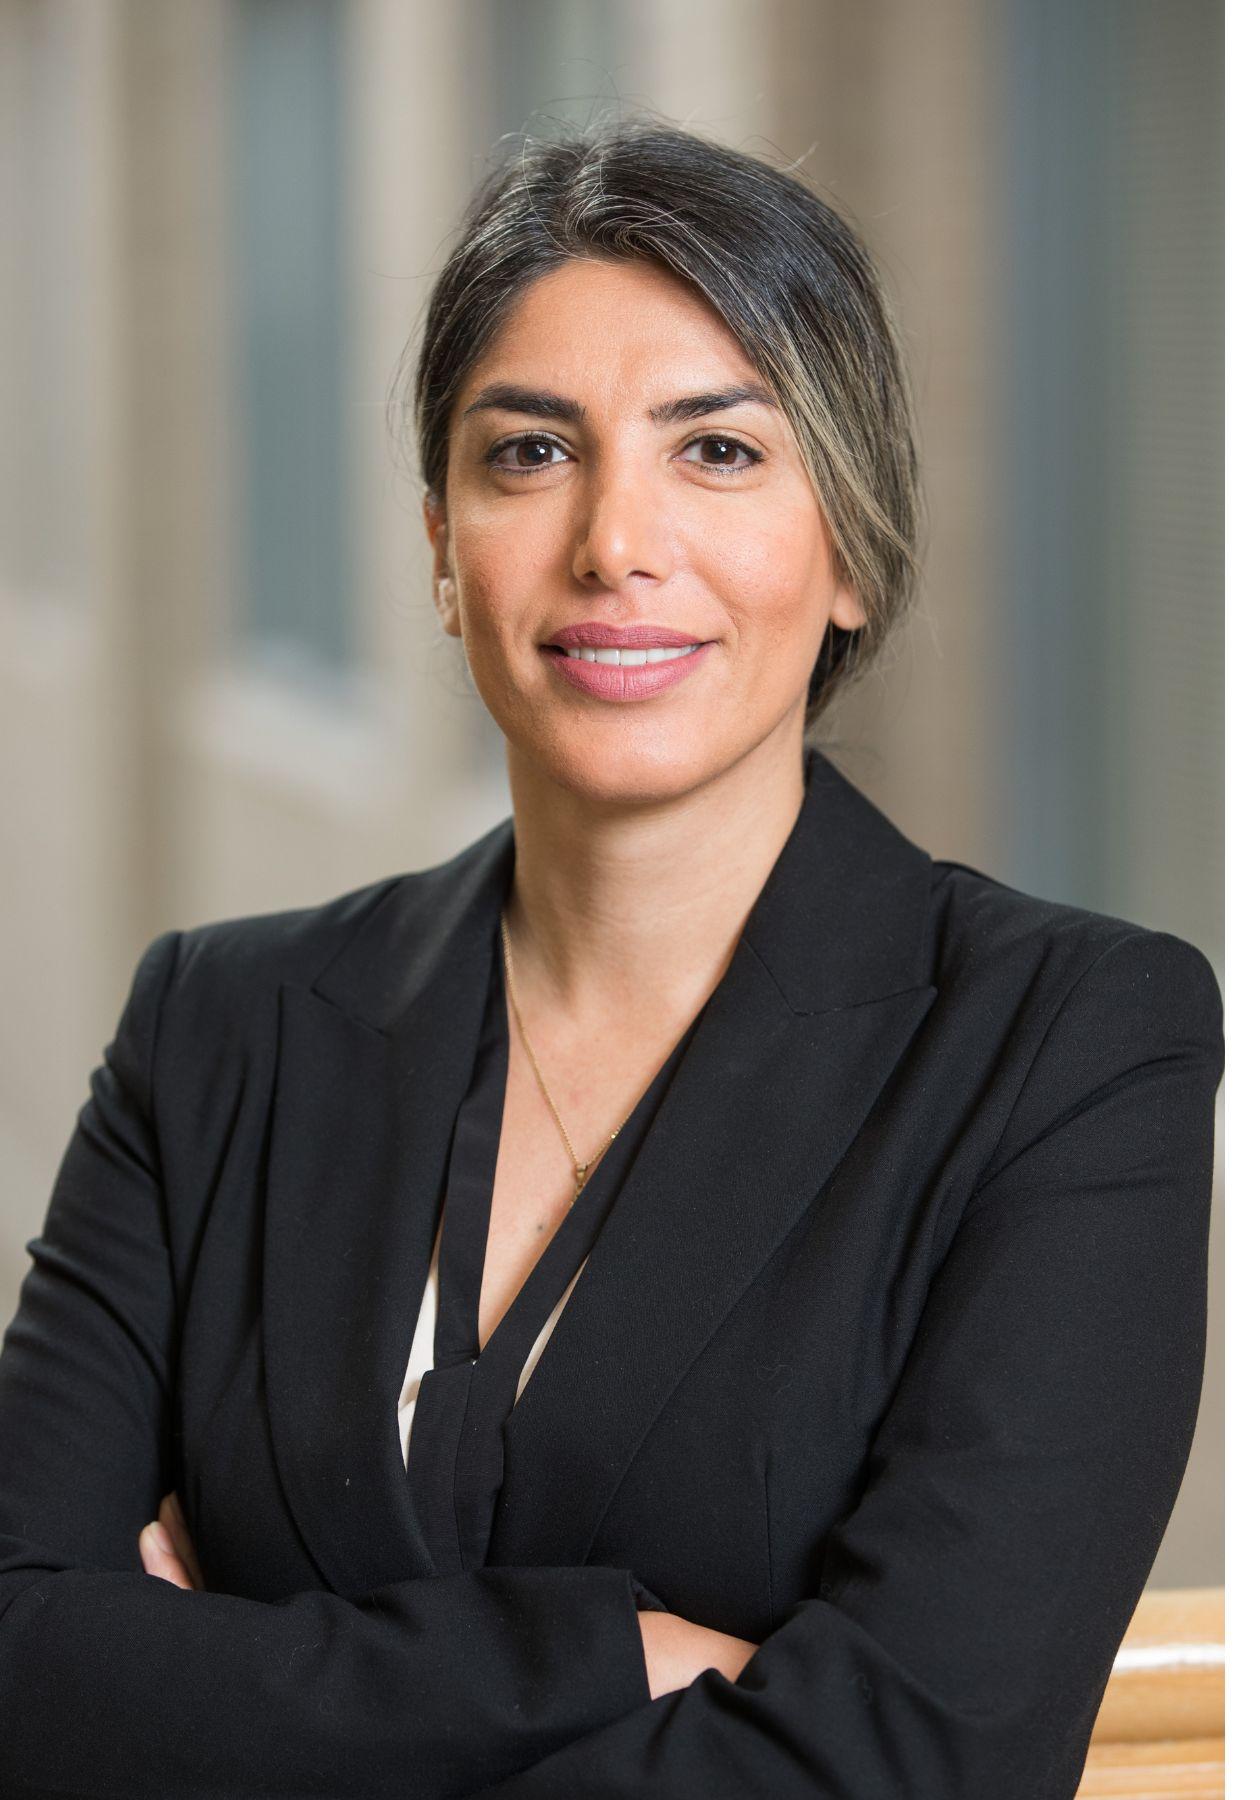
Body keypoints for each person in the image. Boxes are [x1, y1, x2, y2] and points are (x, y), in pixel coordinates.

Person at [0, 120, 1223, 1800]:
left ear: (851, 546)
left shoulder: (1071, 1047)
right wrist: (615, 1660)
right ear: (440, 541)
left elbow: (923, 1759)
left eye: (716, 452)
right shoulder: (218, 1031)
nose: (614, 545)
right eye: (528, 455)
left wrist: (211, 1701)